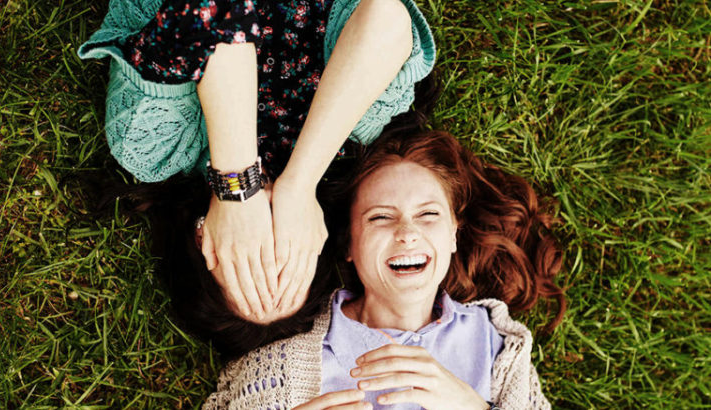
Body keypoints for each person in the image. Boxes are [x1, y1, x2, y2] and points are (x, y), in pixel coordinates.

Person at [78, 0, 436, 321]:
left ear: (202, 242)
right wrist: (300, 183)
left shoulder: (154, 149)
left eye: (246, 264)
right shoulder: (350, 138)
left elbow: (210, 10)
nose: (264, 243)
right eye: (286, 263)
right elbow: (386, 17)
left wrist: (237, 187)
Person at [202, 129, 566, 409]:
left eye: (428, 214)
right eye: (380, 217)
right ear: (348, 244)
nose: (407, 233)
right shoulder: (284, 357)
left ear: (454, 235)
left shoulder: (494, 343)